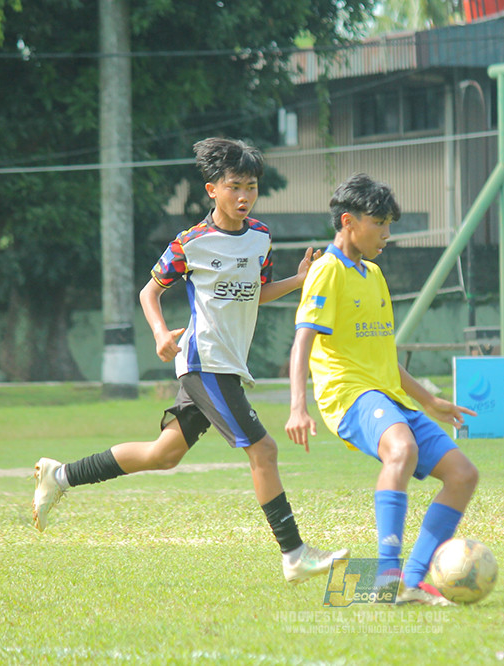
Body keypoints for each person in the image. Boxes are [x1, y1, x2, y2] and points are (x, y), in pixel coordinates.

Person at [32, 137, 347, 583]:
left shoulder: (260, 237)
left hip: (227, 364)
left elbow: (255, 293)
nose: (244, 196)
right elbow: (150, 292)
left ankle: (60, 475)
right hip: (205, 363)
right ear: (211, 190)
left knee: (164, 455)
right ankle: (293, 554)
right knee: (265, 449)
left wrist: (298, 279)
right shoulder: (191, 243)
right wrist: (161, 333)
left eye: (251, 187)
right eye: (234, 186)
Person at [285, 173, 479, 607]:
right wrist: (298, 407)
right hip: (348, 395)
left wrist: (429, 401)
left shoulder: (373, 275)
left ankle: (410, 581)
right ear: (349, 221)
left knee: (463, 475)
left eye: (390, 224)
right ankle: (386, 578)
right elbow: (302, 341)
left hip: (388, 395)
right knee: (401, 450)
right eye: (381, 224)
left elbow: (383, 355)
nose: (388, 235)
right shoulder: (326, 272)